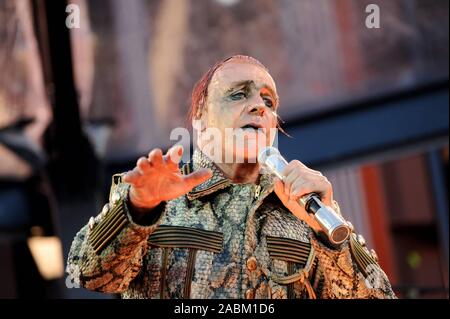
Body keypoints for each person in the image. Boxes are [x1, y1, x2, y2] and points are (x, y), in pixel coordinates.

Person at [67, 55, 396, 299]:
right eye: (239, 94)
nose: (259, 106)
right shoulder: (153, 194)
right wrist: (139, 207)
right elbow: (87, 273)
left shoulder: (304, 206)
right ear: (200, 117)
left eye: (268, 100)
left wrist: (329, 237)